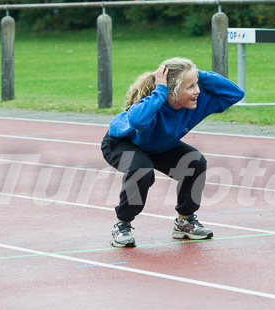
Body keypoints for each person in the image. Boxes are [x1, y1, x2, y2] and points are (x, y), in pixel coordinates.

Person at [101, 57, 244, 247]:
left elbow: (235, 93)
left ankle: (184, 222)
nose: (197, 91)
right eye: (190, 87)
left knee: (195, 163)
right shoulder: (154, 103)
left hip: (161, 146)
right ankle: (122, 225)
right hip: (123, 143)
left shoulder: (197, 101)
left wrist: (198, 74)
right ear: (172, 93)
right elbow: (136, 120)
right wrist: (160, 92)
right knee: (141, 170)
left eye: (197, 84)